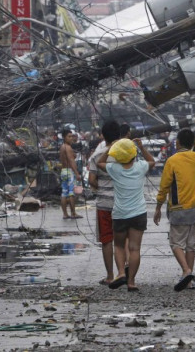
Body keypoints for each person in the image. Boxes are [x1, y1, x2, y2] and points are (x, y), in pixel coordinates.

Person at [154, 128, 195, 292]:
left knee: (176, 243)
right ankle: (188, 281)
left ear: (177, 142)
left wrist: (158, 207)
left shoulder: (172, 161)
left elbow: (164, 186)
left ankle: (186, 271)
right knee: (191, 246)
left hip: (179, 208)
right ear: (192, 142)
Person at [106, 138, 155, 292]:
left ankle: (121, 273)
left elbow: (99, 163)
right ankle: (131, 281)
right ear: (134, 154)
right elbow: (152, 161)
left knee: (119, 246)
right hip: (138, 213)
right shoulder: (140, 167)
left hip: (120, 214)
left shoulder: (113, 168)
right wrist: (141, 146)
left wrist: (111, 148)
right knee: (134, 249)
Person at [87, 120, 120, 285]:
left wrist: (100, 187)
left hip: (104, 204)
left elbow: (91, 180)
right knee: (123, 239)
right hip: (123, 203)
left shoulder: (96, 156)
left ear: (103, 136)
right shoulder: (125, 153)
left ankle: (110, 276)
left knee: (107, 240)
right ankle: (124, 272)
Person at [59, 129, 82, 219]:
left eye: (72, 136)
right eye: (69, 136)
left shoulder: (62, 147)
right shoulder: (68, 148)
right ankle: (73, 213)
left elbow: (68, 157)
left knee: (64, 193)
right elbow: (71, 161)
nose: (71, 138)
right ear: (64, 137)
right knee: (71, 193)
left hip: (63, 171)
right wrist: (76, 173)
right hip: (69, 171)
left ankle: (65, 214)